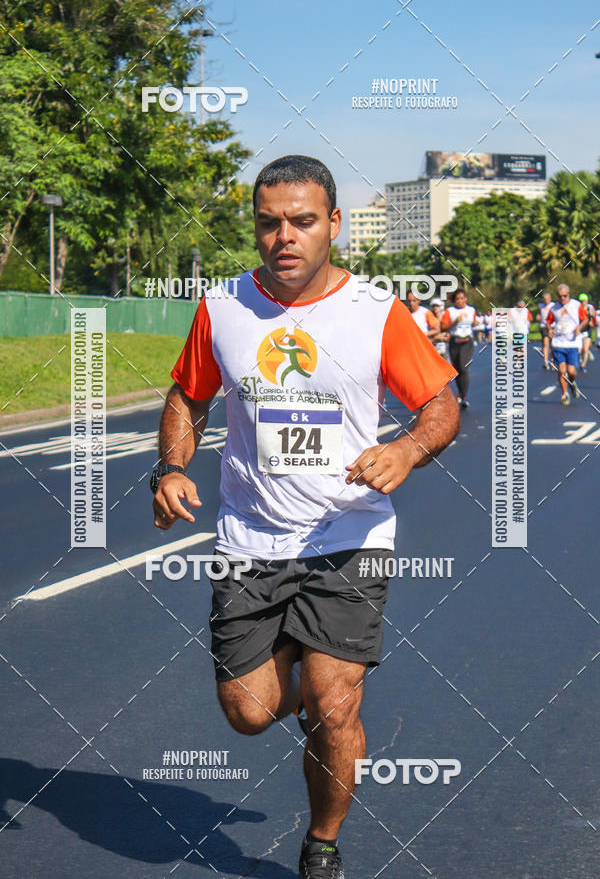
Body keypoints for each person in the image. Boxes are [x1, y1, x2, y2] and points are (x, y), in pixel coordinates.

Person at [150, 155, 460, 879]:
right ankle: (292, 673)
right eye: (269, 223)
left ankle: (322, 842)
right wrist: (169, 467)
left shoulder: (376, 311)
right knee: (250, 712)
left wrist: (408, 449)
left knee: (331, 703)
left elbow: (441, 403)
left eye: (302, 221)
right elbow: (187, 397)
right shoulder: (223, 308)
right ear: (255, 228)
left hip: (348, 537)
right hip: (250, 540)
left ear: (334, 226)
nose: (284, 236)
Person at [546, 283, 588, 405]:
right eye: (560, 296)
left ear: (568, 294)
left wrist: (579, 327)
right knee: (561, 370)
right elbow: (549, 322)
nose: (562, 298)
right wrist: (550, 329)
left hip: (573, 342)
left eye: (564, 295)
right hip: (559, 342)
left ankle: (572, 383)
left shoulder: (576, 305)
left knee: (571, 371)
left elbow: (585, 318)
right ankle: (565, 394)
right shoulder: (554, 308)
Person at [441, 289, 477, 408]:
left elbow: (475, 322)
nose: (460, 301)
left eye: (462, 298)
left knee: (463, 366)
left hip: (467, 341)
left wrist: (476, 322)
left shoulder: (471, 310)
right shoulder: (450, 311)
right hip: (454, 341)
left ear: (465, 299)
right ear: (454, 301)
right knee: (457, 370)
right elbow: (444, 327)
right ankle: (461, 395)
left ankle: (463, 395)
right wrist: (456, 320)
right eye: (457, 299)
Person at [578, 293, 596, 371]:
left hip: (587, 330)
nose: (583, 302)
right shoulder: (577, 308)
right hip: (579, 330)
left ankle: (583, 365)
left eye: (584, 301)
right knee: (580, 349)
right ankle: (580, 358)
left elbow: (593, 318)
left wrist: (592, 323)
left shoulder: (590, 308)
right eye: (581, 301)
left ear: (587, 301)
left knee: (585, 349)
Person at [536, 292, 554, 370]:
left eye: (547, 299)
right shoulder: (540, 305)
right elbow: (539, 313)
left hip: (552, 326)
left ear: (550, 299)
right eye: (544, 300)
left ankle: (553, 362)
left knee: (553, 345)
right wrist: (538, 316)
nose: (546, 301)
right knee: (545, 343)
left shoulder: (553, 305)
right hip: (543, 326)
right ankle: (546, 362)